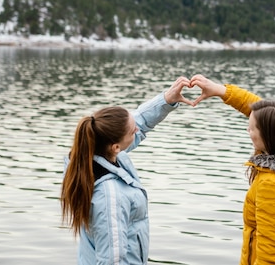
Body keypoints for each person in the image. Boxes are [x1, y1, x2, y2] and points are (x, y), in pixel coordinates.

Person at [61, 76, 194, 265]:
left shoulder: (91, 156)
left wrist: (166, 100)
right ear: (115, 146)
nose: (137, 130)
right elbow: (111, 261)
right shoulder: (109, 196)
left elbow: (139, 120)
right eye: (133, 131)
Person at [190, 74, 275, 265]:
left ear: (267, 137)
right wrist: (221, 91)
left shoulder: (273, 187)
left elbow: (270, 257)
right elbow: (265, 111)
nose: (248, 131)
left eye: (251, 128)